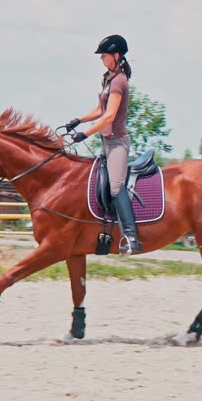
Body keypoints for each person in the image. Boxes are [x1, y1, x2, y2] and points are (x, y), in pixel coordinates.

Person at [65, 34, 141, 254]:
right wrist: (78, 120)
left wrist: (84, 134)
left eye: (104, 55)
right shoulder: (108, 78)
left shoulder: (119, 81)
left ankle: (131, 237)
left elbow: (109, 117)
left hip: (117, 142)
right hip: (106, 142)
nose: (101, 59)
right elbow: (100, 110)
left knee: (116, 187)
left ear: (116, 56)